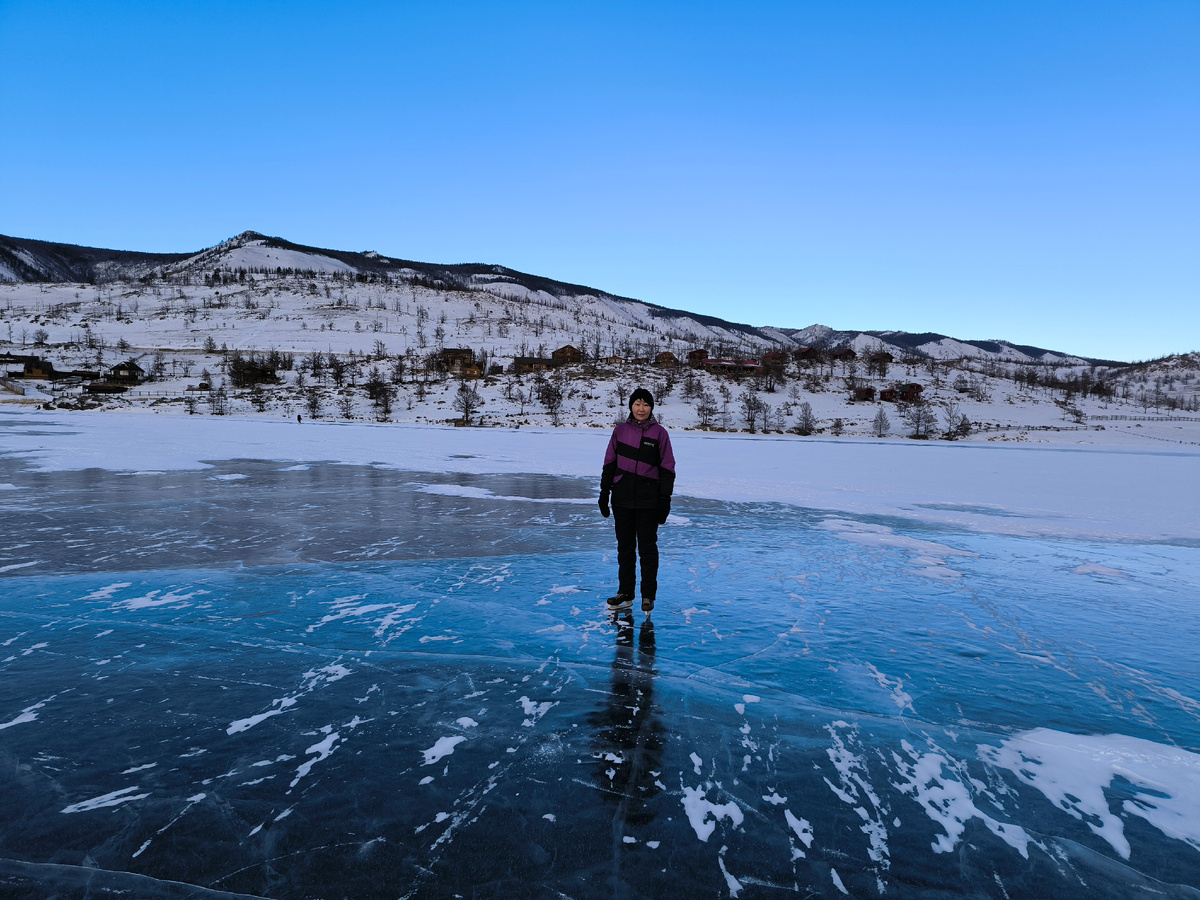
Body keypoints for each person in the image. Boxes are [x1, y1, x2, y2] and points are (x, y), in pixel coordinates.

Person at [599, 388, 675, 613]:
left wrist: (665, 499)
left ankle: (648, 595)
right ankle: (626, 593)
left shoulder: (659, 434)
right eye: (637, 404)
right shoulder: (620, 431)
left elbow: (667, 468)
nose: (641, 409)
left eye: (646, 404)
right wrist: (605, 492)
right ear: (631, 406)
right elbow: (609, 463)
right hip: (621, 499)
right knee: (625, 548)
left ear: (651, 408)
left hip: (648, 501)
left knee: (647, 549)